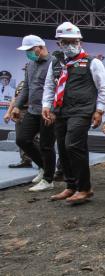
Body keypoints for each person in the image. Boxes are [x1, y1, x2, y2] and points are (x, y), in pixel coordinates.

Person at [42, 22, 105, 204]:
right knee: (62, 147)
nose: (71, 45)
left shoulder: (92, 62)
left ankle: (84, 188)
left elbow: (103, 88)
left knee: (73, 145)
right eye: (66, 42)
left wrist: (100, 110)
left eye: (74, 41)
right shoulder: (56, 62)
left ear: (80, 41)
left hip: (82, 111)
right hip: (60, 110)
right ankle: (71, 186)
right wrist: (46, 105)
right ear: (59, 43)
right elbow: (50, 85)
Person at [12, 35, 56, 192]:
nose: (28, 53)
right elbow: (27, 88)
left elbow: (58, 89)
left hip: (48, 111)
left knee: (46, 145)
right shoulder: (30, 64)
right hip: (32, 110)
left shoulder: (54, 63)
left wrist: (53, 110)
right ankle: (45, 168)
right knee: (22, 140)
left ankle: (49, 180)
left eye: (30, 50)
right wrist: (16, 106)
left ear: (40, 47)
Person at [4, 67, 34, 169]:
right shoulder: (22, 83)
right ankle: (25, 160)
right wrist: (9, 112)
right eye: (25, 70)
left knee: (37, 138)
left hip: (33, 111)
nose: (26, 72)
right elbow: (15, 98)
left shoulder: (39, 82)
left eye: (27, 70)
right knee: (20, 137)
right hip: (19, 111)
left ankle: (43, 163)